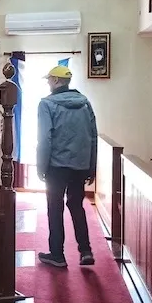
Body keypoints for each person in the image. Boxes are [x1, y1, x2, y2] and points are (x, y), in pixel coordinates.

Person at [36, 65, 98, 267]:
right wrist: (91, 167)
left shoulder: (47, 104)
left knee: (55, 207)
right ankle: (85, 250)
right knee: (76, 205)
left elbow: (45, 139)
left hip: (56, 166)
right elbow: (93, 137)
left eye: (48, 80)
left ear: (55, 81)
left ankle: (57, 255)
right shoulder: (85, 103)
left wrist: (41, 166)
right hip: (79, 165)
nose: (47, 83)